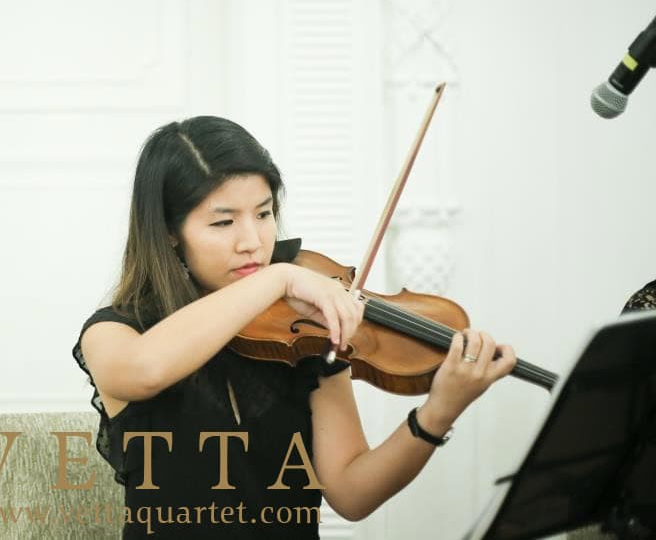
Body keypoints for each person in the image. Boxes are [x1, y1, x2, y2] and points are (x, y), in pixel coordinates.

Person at [72, 116, 518, 538]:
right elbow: (143, 371)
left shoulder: (301, 336)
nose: (253, 242)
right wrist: (277, 277)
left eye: (264, 214)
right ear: (170, 231)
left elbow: (353, 494)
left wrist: (438, 413)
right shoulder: (114, 331)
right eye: (224, 222)